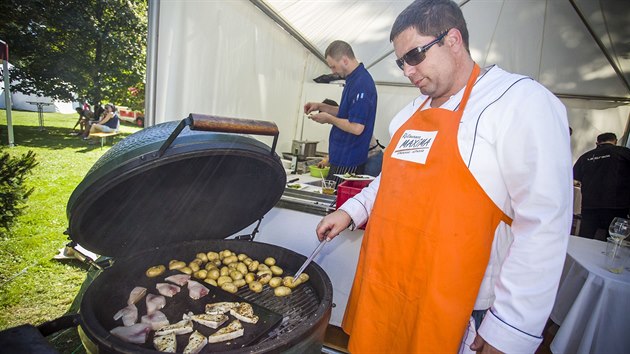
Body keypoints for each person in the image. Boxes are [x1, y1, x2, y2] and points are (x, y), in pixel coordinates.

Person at [314, 1, 573, 353]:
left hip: (456, 308)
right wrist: (352, 211)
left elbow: (543, 225)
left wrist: (511, 329)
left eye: (415, 55)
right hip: (389, 291)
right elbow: (391, 179)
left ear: (453, 39)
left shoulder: (520, 103)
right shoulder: (409, 114)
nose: (407, 70)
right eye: (401, 61)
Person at [304, 40, 377, 186]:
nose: (333, 72)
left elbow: (357, 127)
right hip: (341, 158)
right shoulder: (352, 79)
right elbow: (346, 113)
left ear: (344, 60)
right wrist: (321, 106)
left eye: (333, 66)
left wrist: (329, 119)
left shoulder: (362, 83)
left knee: (335, 203)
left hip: (349, 160)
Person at [573, 132, 630, 240]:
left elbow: (576, 177)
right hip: (617, 205)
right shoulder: (623, 152)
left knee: (585, 238)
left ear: (597, 142)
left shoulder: (585, 156)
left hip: (589, 205)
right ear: (615, 141)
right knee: (613, 240)